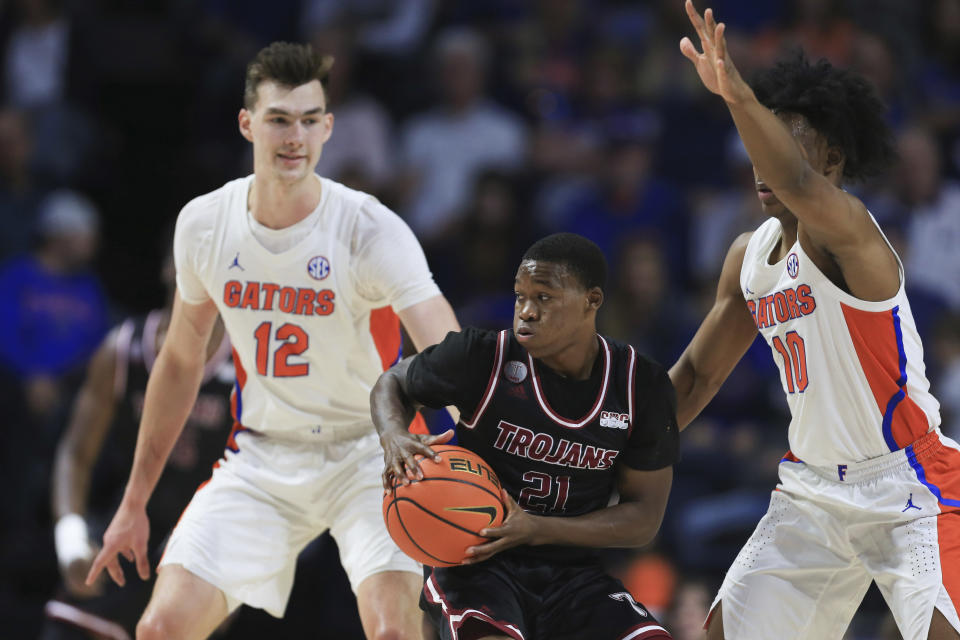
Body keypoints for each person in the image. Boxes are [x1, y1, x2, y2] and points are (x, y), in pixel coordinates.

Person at [85, 42, 460, 640]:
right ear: (247, 124)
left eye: (310, 120)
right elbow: (181, 360)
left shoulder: (369, 228)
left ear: (329, 127)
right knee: (160, 629)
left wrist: (498, 449)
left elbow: (447, 351)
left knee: (393, 632)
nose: (295, 137)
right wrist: (133, 503)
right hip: (264, 453)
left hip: (376, 453)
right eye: (279, 119)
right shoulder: (206, 224)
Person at [671, 2, 959, 638]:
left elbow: (795, 178)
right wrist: (607, 447)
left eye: (786, 136)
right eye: (761, 136)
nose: (760, 158)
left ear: (831, 159)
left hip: (908, 484)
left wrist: (736, 93)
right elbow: (692, 379)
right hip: (812, 491)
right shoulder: (749, 256)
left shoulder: (850, 231)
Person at [372, 233, 677, 640]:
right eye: (520, 296)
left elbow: (644, 519)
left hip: (572, 574)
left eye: (544, 298)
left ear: (592, 301)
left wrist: (536, 527)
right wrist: (393, 435)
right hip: (474, 564)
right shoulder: (482, 356)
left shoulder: (640, 384)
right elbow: (393, 381)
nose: (526, 312)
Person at [43, 257, 233, 640]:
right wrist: (70, 534)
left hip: (201, 548)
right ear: (168, 266)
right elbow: (75, 454)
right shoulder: (124, 349)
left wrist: (233, 579)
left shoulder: (247, 369)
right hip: (123, 532)